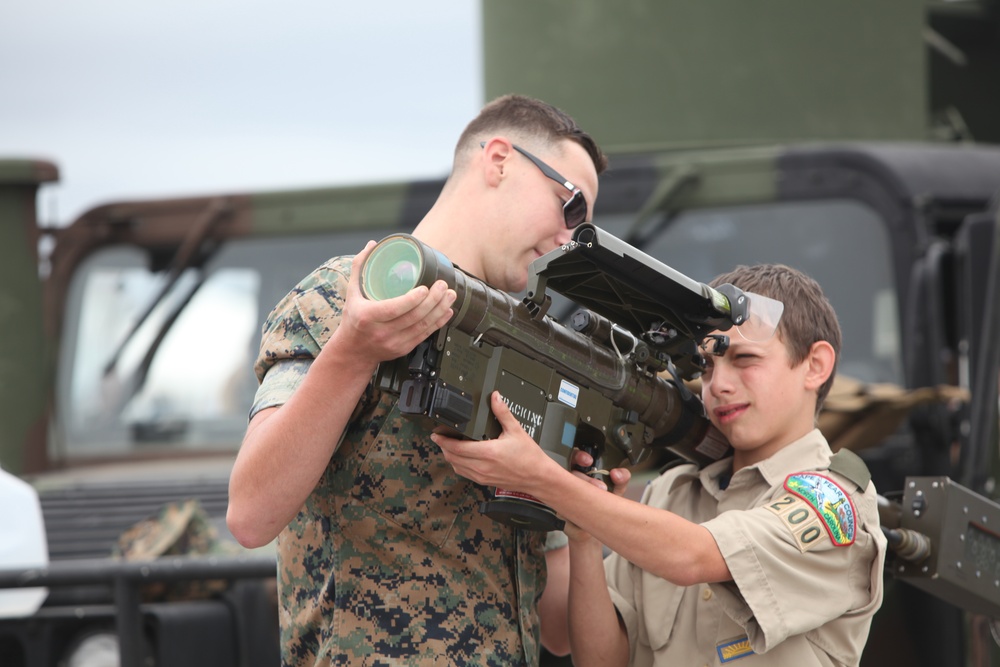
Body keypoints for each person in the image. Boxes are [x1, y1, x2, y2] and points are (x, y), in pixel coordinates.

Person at [226, 94, 607, 666]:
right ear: (499, 160)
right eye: (570, 207)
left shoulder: (532, 351)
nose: (567, 238)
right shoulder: (345, 298)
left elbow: (556, 631)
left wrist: (584, 518)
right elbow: (251, 513)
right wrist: (354, 352)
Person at [434, 263, 888, 666]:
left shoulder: (835, 502)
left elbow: (694, 556)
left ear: (815, 366)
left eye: (746, 360)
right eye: (706, 368)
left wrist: (542, 478)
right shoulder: (671, 493)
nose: (719, 385)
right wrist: (585, 537)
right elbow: (598, 658)